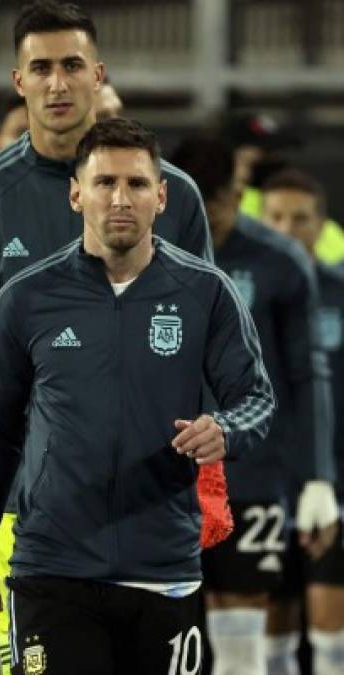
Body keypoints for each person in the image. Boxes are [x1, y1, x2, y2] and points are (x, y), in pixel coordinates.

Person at [0, 2, 213, 673]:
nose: (57, 83)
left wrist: (210, 473)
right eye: (40, 67)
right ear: (17, 80)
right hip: (25, 503)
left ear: (98, 75)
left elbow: (204, 335)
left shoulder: (172, 197)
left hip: (148, 504)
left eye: (71, 65)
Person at [0, 117, 275, 675]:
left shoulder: (206, 293)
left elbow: (255, 399)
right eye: (105, 183)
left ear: (162, 196)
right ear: (77, 194)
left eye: (136, 184)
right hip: (52, 571)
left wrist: (226, 428)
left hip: (165, 571)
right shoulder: (26, 298)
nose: (120, 198)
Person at [172, 136, 337, 675]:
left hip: (252, 476)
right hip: (164, 476)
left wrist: (316, 477)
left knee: (241, 643)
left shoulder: (280, 262)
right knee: (166, 636)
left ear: (234, 195)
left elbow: (307, 373)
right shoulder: (148, 252)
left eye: (215, 203)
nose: (206, 216)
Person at [262, 169, 344, 675]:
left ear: (321, 224)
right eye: (275, 219)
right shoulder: (236, 293)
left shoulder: (338, 292)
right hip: (264, 485)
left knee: (330, 632)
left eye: (300, 218)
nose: (288, 229)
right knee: (270, 633)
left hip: (335, 482)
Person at [221, 111, 344, 265]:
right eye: (263, 155)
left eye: (277, 153)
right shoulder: (221, 215)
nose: (274, 161)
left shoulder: (324, 226)